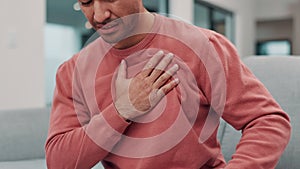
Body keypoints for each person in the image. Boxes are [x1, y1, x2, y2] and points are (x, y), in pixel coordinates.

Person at [45, 0, 291, 168]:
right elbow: (59, 162)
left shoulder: (203, 45)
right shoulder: (72, 72)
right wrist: (121, 110)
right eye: (87, 2)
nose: (99, 16)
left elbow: (268, 121)